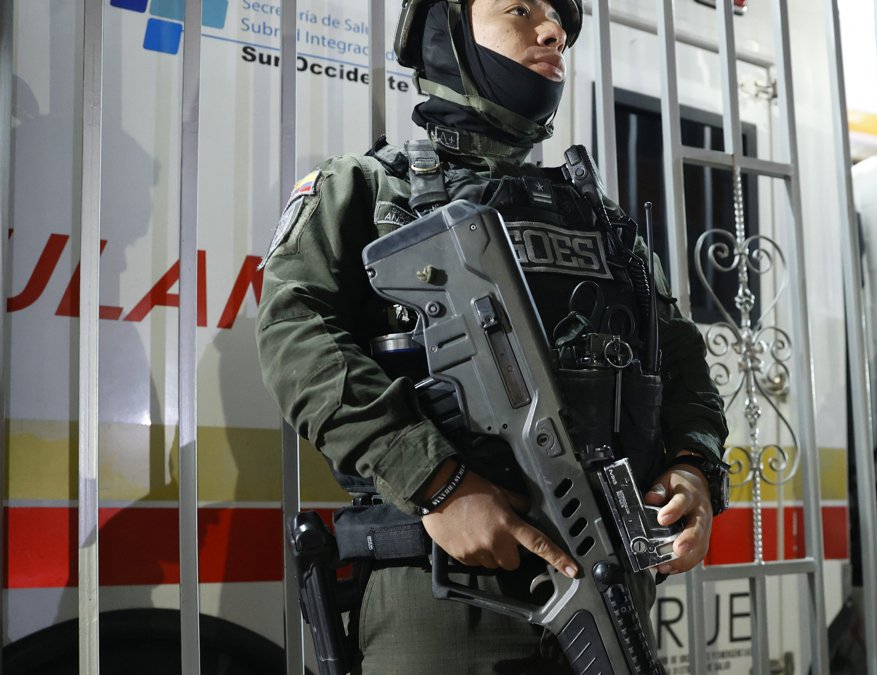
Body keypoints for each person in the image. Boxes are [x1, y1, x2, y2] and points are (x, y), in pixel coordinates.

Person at [255, 0, 729, 673]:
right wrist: (437, 482)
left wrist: (693, 466)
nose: (552, 30)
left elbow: (678, 358)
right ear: (445, 33)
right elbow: (294, 335)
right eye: (518, 10)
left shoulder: (605, 224)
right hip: (446, 597)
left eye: (560, 21)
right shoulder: (367, 191)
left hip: (607, 590)